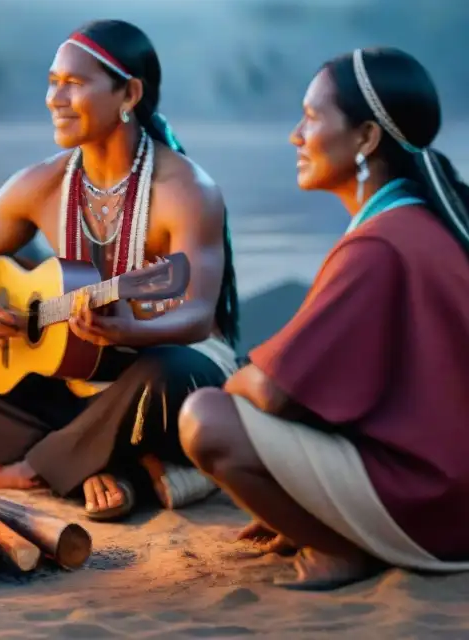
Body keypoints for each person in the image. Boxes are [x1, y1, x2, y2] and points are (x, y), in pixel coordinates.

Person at [0, 20, 241, 520]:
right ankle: (105, 466)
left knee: (166, 373)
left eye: (73, 84)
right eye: (52, 82)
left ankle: (36, 466)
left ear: (129, 93)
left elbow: (199, 314)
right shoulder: (40, 184)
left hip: (167, 364)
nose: (54, 98)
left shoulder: (185, 190)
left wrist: (131, 329)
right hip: (80, 379)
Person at [178, 47, 469, 590]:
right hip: (450, 494)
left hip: (431, 507)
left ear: (365, 137)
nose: (295, 135)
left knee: (207, 417)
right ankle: (324, 527)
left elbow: (276, 391)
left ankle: (337, 549)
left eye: (311, 118)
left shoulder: (381, 244)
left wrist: (235, 382)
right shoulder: (422, 223)